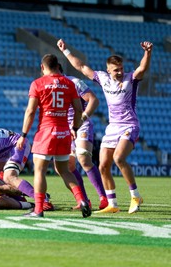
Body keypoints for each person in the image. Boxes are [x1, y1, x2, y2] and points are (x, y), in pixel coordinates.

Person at [57, 38, 153, 214]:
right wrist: (65, 51)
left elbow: (142, 68)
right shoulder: (102, 78)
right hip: (112, 128)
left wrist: (147, 53)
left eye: (121, 69)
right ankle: (112, 204)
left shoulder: (130, 79)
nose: (119, 72)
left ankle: (135, 195)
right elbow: (81, 67)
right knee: (102, 166)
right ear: (108, 70)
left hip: (129, 125)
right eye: (116, 70)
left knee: (119, 158)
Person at [16, 53, 91, 218]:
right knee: (64, 170)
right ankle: (82, 200)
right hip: (64, 131)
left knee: (40, 171)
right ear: (57, 66)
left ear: (42, 67)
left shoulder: (38, 83)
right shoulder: (69, 83)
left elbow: (30, 111)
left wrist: (23, 134)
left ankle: (38, 210)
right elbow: (79, 109)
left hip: (46, 132)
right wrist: (75, 128)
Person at [59, 65, 108, 210]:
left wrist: (82, 118)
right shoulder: (48, 85)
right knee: (68, 166)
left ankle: (103, 197)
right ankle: (84, 201)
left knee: (84, 159)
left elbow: (93, 100)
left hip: (81, 125)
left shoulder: (74, 82)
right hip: (64, 128)